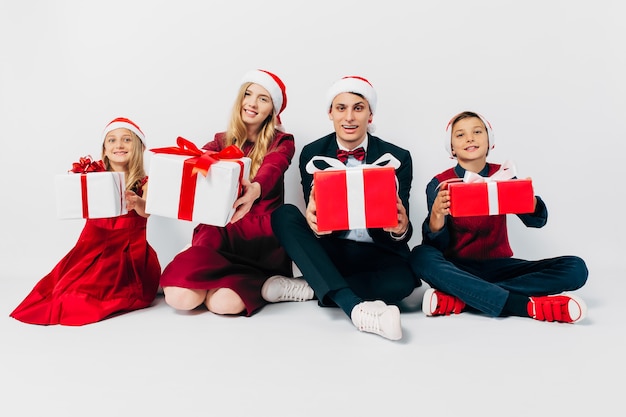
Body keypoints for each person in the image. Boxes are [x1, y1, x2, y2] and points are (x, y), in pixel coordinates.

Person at [268, 75, 419, 341]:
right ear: (330, 113)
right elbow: (316, 219)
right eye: (341, 108)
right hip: (333, 249)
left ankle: (315, 287)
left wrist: (401, 227)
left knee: (403, 283)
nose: (349, 117)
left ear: (370, 115)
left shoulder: (398, 157)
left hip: (378, 251)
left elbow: (402, 230)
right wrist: (314, 223)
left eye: (358, 108)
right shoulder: (312, 153)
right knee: (284, 215)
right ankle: (355, 307)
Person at [409, 110, 588, 323]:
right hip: (457, 268)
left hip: (500, 266)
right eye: (460, 135)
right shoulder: (440, 184)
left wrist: (531, 202)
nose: (470, 138)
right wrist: (437, 216)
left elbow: (536, 221)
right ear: (452, 148)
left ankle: (465, 298)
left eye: (477, 131)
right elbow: (435, 247)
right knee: (420, 255)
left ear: (489, 140)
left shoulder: (503, 175)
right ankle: (521, 305)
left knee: (575, 268)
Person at [160, 69, 296, 317]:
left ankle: (264, 284)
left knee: (223, 305)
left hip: (258, 243)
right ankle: (199, 262)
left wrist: (255, 188)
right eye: (248, 94)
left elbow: (274, 166)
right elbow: (195, 166)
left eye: (263, 99)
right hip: (219, 235)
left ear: (272, 110)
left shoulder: (282, 141)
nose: (252, 103)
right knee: (180, 297)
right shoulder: (220, 141)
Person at [10, 117, 161, 325]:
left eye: (127, 140)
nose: (119, 145)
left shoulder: (144, 182)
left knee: (85, 299)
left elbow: (147, 212)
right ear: (104, 150)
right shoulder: (94, 176)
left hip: (126, 253)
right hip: (93, 247)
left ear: (139, 147)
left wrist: (136, 202)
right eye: (112, 140)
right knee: (61, 290)